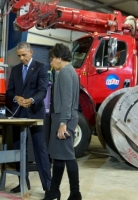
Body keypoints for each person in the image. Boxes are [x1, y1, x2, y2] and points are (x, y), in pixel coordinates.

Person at [6, 42, 51, 194]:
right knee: (19, 149)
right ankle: (22, 183)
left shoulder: (41, 68)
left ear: (31, 52)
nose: (21, 58)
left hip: (34, 113)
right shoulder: (15, 70)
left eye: (24, 55)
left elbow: (42, 91)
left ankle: (48, 186)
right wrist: (15, 98)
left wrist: (31, 100)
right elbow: (10, 91)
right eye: (19, 56)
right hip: (18, 114)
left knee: (40, 149)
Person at [43, 43, 82, 200]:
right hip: (62, 116)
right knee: (59, 156)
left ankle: (75, 193)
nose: (51, 63)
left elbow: (67, 100)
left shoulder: (66, 72)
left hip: (64, 117)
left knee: (67, 155)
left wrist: (62, 123)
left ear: (59, 58)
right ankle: (54, 191)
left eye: (52, 59)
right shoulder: (68, 71)